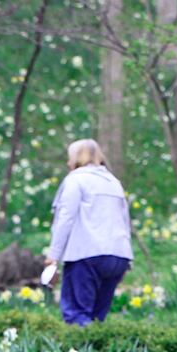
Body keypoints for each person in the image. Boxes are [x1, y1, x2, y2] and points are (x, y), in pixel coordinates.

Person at [44, 138, 133, 327]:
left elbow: (65, 218)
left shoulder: (76, 180)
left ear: (76, 159)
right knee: (97, 317)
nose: (68, 163)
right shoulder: (113, 182)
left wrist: (54, 255)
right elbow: (124, 221)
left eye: (69, 158)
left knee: (77, 315)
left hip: (86, 253)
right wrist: (127, 259)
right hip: (117, 256)